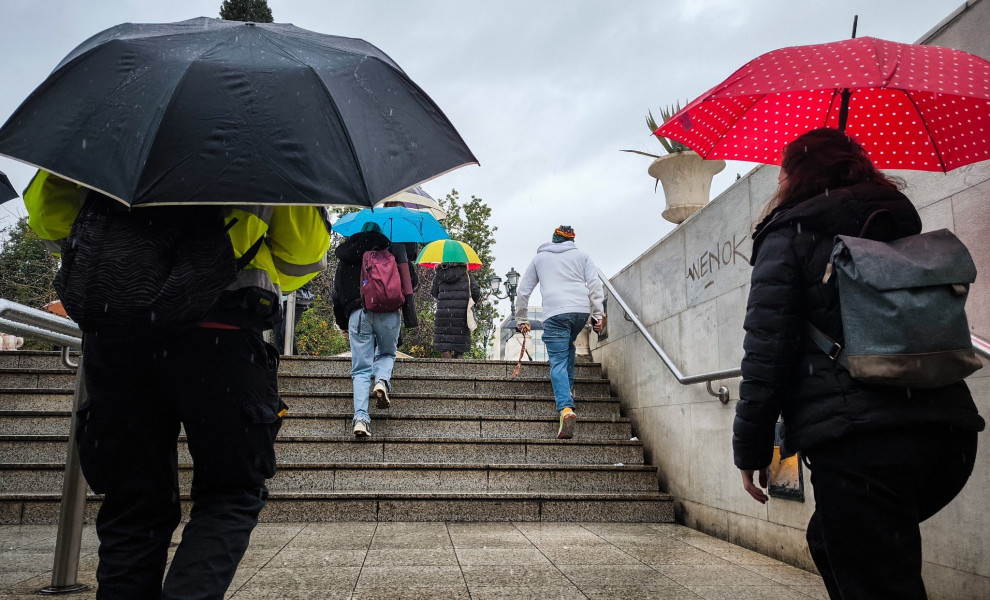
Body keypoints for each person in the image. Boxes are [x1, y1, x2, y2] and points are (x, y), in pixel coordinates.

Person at [23, 170, 331, 599]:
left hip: (119, 334)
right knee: (231, 491)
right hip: (220, 330)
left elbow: (49, 218)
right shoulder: (263, 147)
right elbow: (303, 253)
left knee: (132, 506)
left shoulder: (111, 122)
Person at [733, 128, 984, 599]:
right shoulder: (897, 222)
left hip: (862, 446)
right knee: (832, 543)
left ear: (792, 175)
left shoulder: (788, 236)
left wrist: (750, 449)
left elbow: (767, 351)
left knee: (879, 582)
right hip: (949, 434)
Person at [515, 225, 605, 439]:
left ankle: (565, 407)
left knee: (557, 360)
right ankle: (569, 388)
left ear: (554, 240)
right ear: (572, 240)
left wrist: (521, 318)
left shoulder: (540, 259)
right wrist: (598, 316)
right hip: (579, 312)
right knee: (569, 346)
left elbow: (523, 291)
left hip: (555, 313)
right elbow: (595, 285)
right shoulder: (582, 256)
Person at [331, 222, 401, 437]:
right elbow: (410, 284)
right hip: (388, 311)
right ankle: (381, 381)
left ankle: (361, 418)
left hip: (358, 313)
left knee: (361, 369)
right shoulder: (390, 254)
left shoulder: (346, 258)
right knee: (387, 353)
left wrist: (343, 322)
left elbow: (337, 295)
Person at [431, 262, 482, 358]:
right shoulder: (466, 274)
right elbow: (476, 292)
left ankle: (447, 369)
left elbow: (434, 292)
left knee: (444, 346)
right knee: (460, 348)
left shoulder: (439, 274)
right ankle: (459, 368)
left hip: (444, 314)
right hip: (461, 314)